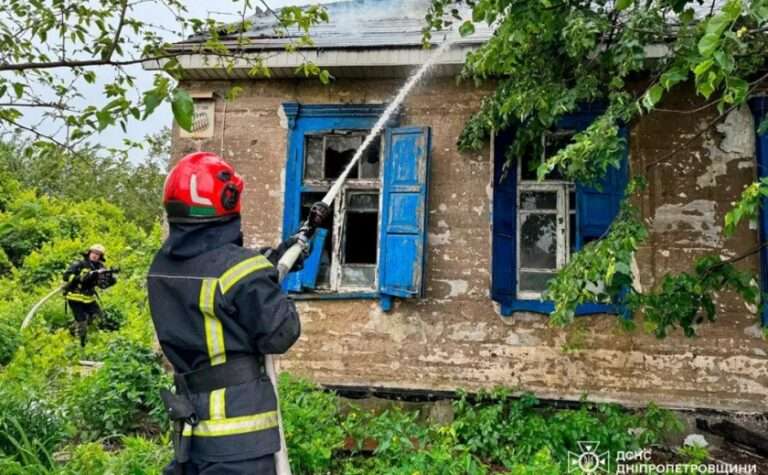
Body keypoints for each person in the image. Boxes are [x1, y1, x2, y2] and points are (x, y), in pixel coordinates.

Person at [147, 152, 328, 475]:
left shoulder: (161, 267)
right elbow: (281, 331)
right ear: (228, 201)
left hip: (193, 428)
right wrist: (266, 277)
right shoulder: (242, 272)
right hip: (239, 436)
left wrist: (272, 259)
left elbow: (216, 276)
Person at [62, 244, 117, 347]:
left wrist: (110, 280)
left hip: (89, 298)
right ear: (89, 253)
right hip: (75, 296)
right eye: (94, 253)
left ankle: (73, 330)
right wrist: (80, 278)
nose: (95, 256)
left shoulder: (100, 267)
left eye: (98, 254)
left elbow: (102, 285)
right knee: (82, 321)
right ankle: (81, 344)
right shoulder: (79, 264)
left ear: (100, 257)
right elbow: (66, 276)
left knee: (98, 317)